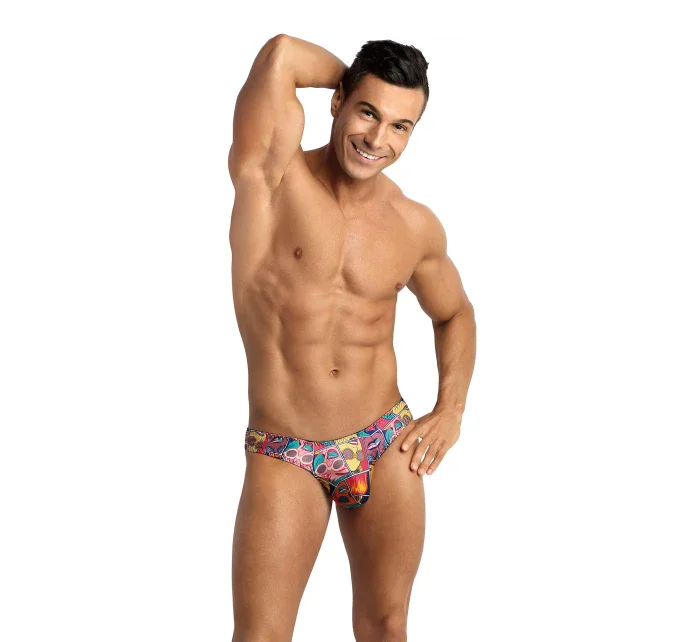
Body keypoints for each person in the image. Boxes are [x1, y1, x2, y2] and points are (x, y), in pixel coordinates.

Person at [228, 34, 476, 642]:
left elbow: (455, 314)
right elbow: (281, 54)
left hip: (384, 440)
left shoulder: (412, 224)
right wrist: (355, 76)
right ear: (336, 101)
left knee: (387, 625)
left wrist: (450, 409)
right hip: (287, 450)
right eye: (368, 112)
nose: (377, 139)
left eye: (400, 126)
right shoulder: (273, 177)